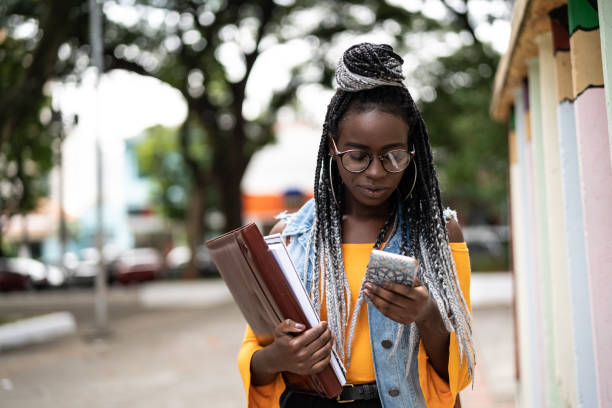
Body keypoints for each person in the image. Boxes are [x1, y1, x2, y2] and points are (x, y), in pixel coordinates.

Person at [238, 42, 474, 408]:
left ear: (413, 151)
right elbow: (256, 354)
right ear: (333, 147)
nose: (376, 172)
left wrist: (426, 315)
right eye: (358, 156)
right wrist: (280, 358)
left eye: (393, 155)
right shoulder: (289, 239)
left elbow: (458, 373)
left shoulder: (437, 235)